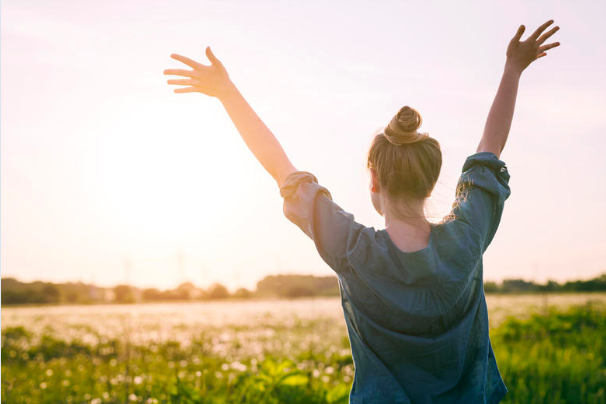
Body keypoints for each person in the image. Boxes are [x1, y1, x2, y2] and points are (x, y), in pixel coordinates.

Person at [164, 20, 560, 404]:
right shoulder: (467, 237)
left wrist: (227, 93)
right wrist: (513, 69)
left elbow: (281, 169)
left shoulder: (353, 250)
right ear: (431, 179)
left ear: (374, 181)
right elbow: (489, 150)